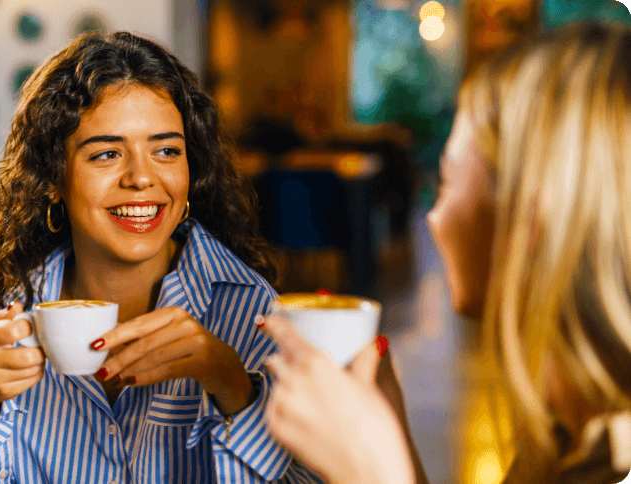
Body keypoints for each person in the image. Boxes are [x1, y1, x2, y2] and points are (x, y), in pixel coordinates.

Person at [0, 32, 321, 483]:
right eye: (106, 154)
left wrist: (229, 382)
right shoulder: (6, 304)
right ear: (52, 179)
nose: (142, 178)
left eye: (166, 151)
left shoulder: (247, 308)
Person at [260, 22, 631, 484]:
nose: (434, 219)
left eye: (448, 180)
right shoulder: (570, 434)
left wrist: (372, 471)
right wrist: (391, 440)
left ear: (529, 219)